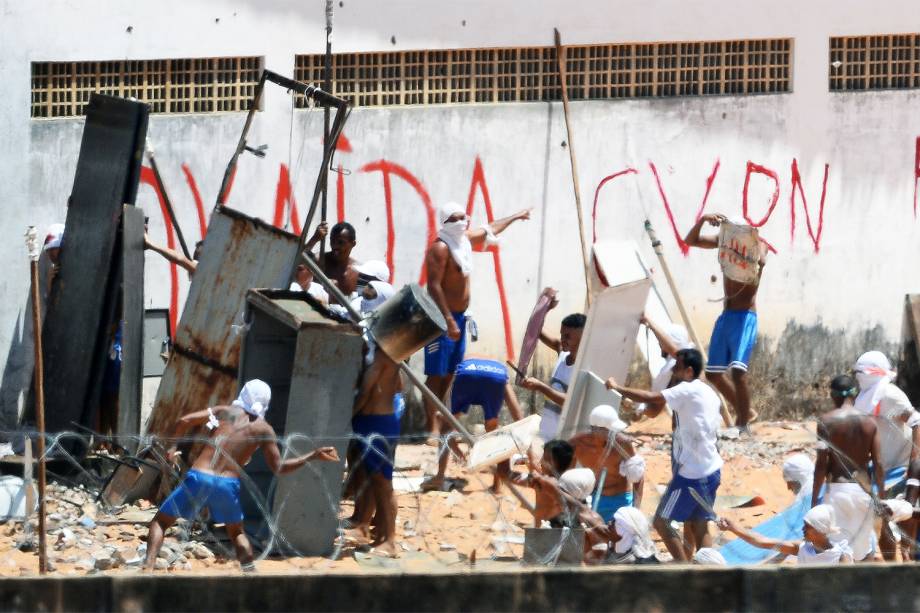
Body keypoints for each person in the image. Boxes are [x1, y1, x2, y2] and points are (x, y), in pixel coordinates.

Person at [143, 380, 339, 571]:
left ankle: (147, 569)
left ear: (244, 393)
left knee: (160, 522)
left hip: (199, 476)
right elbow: (279, 468)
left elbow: (184, 420)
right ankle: (249, 574)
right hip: (227, 484)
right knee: (237, 533)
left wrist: (172, 446)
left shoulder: (225, 411)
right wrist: (313, 455)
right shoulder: (263, 429)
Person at [422, 202, 530, 440]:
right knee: (435, 375)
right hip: (442, 320)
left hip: (459, 318)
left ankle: (443, 421)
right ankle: (430, 426)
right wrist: (448, 319)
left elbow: (490, 228)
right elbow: (433, 286)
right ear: (446, 222)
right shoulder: (440, 248)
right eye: (457, 218)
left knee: (450, 373)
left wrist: (517, 214)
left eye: (464, 217)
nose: (463, 222)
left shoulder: (464, 240)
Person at [605, 348, 722, 562]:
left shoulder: (687, 389)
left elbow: (654, 398)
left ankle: (682, 568)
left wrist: (617, 388)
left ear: (688, 371)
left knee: (662, 520)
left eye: (676, 367)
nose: (673, 372)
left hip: (691, 475)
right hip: (712, 468)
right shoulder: (708, 392)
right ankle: (710, 568)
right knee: (699, 521)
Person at [684, 214, 767, 431]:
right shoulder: (725, 242)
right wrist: (702, 220)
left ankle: (742, 424)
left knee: (738, 372)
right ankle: (746, 411)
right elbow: (690, 240)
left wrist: (753, 249)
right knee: (712, 373)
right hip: (727, 315)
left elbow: (762, 260)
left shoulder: (756, 245)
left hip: (744, 318)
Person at [423, 358, 524, 493]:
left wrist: (458, 452)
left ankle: (439, 477)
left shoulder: (459, 367)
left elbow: (441, 420)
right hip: (496, 376)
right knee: (493, 430)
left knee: (446, 426)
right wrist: (526, 436)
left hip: (466, 374)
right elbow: (516, 412)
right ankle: (497, 485)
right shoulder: (501, 372)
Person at [812, 374, 885, 562]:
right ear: (855, 394)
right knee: (862, 551)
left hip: (837, 491)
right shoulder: (870, 423)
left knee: (838, 553)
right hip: (863, 492)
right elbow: (879, 464)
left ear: (833, 396)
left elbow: (821, 465)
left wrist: (814, 501)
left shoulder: (826, 422)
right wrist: (882, 498)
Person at [349, 351, 403, 557]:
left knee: (383, 483)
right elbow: (397, 387)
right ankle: (380, 535)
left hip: (378, 424)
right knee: (375, 481)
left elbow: (364, 393)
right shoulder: (386, 357)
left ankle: (390, 541)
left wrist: (347, 417)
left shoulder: (383, 358)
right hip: (373, 422)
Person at [568, 404, 644, 522]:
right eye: (610, 430)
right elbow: (565, 476)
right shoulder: (577, 444)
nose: (614, 433)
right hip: (591, 502)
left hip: (621, 502)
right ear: (596, 429)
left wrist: (636, 509)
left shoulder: (623, 444)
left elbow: (638, 477)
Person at [521, 312, 587, 441]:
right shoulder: (562, 353)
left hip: (566, 437)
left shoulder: (584, 368)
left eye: (568, 336)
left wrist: (541, 387)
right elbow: (535, 328)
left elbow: (570, 402)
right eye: (562, 334)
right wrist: (545, 308)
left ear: (583, 337)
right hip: (547, 430)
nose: (563, 339)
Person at [717, 505, 854, 565]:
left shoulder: (841, 556)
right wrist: (734, 528)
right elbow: (762, 541)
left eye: (807, 527)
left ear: (819, 530)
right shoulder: (800, 548)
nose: (803, 529)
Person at [507, 439, 575, 527]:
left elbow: (505, 473)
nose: (541, 462)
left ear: (552, 463)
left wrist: (503, 450)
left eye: (544, 459)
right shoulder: (570, 485)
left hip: (542, 536)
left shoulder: (543, 484)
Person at [639, 314, 694, 394]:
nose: (659, 344)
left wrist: (650, 323)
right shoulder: (669, 367)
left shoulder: (681, 362)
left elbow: (674, 351)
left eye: (661, 341)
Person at [305, 221, 360, 298]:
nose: (335, 246)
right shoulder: (319, 260)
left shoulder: (357, 271)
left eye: (341, 242)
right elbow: (297, 262)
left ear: (353, 244)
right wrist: (315, 238)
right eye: (332, 241)